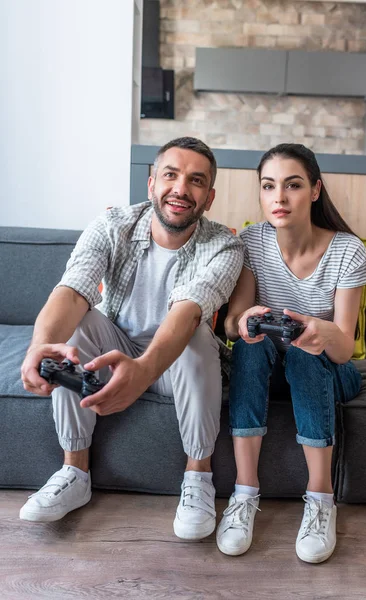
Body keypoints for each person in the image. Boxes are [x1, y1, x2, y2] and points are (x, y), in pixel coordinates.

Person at [20, 136, 244, 541]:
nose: (181, 189)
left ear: (208, 198)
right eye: (171, 175)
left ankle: (198, 478)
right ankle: (74, 471)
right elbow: (73, 289)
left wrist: (142, 370)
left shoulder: (225, 245)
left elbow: (189, 310)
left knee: (197, 337)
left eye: (195, 181)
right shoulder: (112, 225)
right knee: (83, 324)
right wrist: (40, 345)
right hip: (114, 348)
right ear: (151, 182)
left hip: (175, 362)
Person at [217, 143, 366, 563]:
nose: (279, 198)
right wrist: (245, 319)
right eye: (268, 186)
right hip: (268, 368)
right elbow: (232, 324)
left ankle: (321, 499)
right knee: (249, 350)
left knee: (305, 352)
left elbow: (343, 348)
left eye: (293, 185)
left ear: (316, 190)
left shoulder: (347, 250)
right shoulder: (251, 241)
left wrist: (318, 330)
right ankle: (244, 494)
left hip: (331, 369)